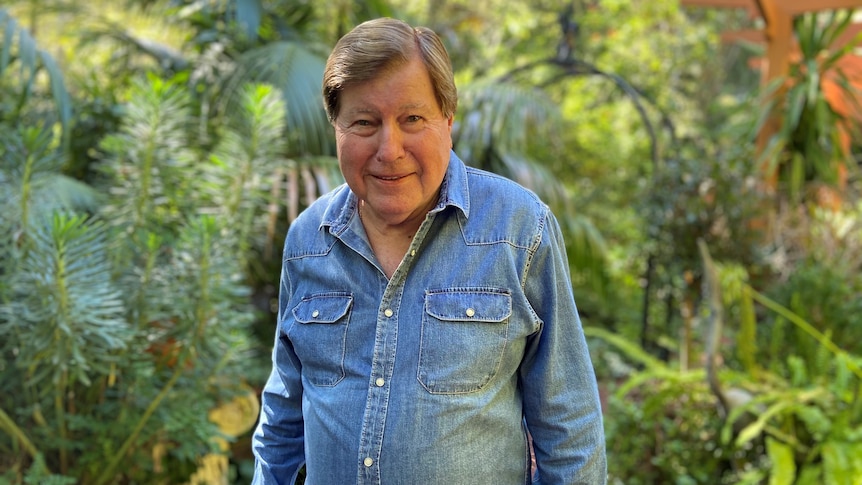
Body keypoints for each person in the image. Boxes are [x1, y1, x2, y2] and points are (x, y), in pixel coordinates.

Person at [252, 17, 607, 485]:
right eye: (364, 122)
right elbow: (282, 421)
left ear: (448, 119)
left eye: (412, 119)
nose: (389, 148)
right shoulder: (306, 240)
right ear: (336, 127)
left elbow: (570, 429)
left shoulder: (520, 230)